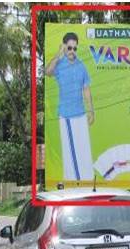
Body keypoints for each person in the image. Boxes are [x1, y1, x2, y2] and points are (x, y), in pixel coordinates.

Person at [46, 32, 94, 183]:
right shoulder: (59, 65)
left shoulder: (81, 66)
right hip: (66, 115)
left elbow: (86, 89)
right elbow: (48, 72)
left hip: (81, 113)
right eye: (69, 48)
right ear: (64, 47)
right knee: (70, 151)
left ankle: (87, 181)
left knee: (84, 148)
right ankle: (73, 182)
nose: (72, 51)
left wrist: (91, 110)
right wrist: (58, 54)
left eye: (74, 48)